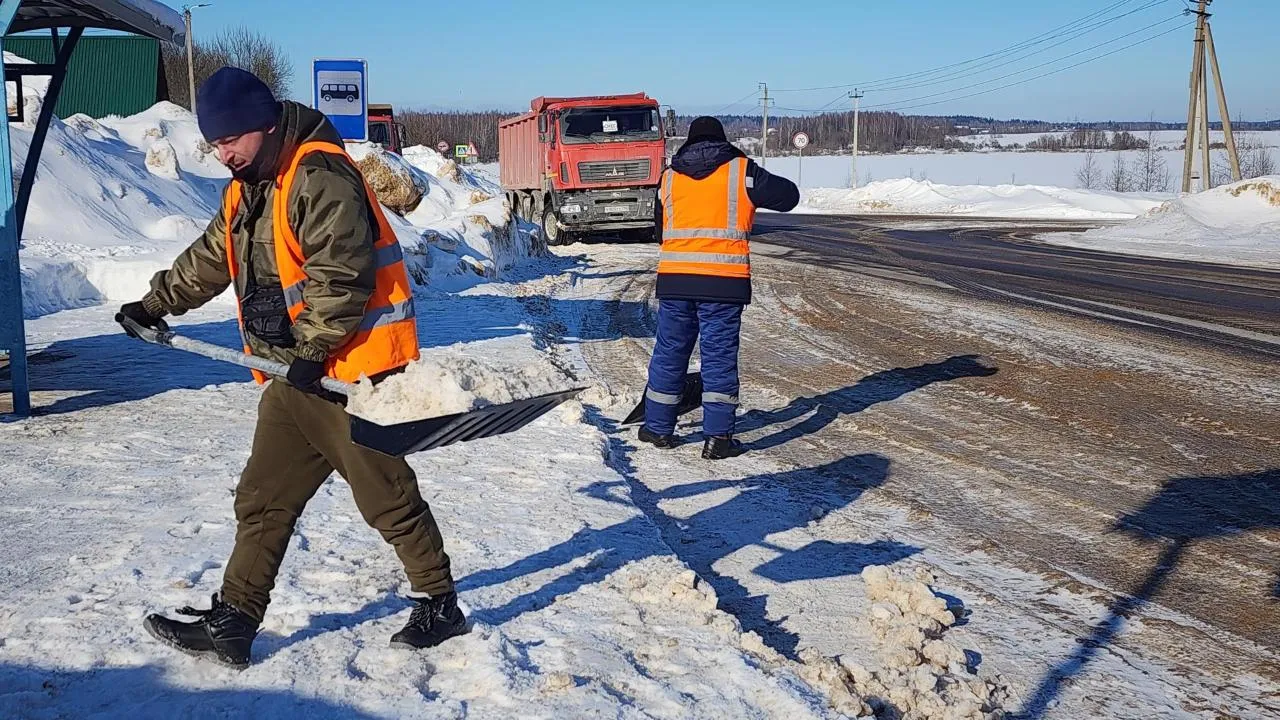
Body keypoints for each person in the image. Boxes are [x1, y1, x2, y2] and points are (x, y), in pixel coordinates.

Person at [116, 67, 465, 669]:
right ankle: (235, 619)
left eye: (231, 140)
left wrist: (312, 351)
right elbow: (210, 257)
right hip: (293, 374)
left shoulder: (317, 174)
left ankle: (439, 603)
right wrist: (155, 302)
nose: (223, 153)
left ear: (265, 124)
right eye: (215, 143)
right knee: (263, 496)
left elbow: (341, 272)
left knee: (385, 495)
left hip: (347, 372)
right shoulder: (248, 184)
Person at [639, 116, 799, 459]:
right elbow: (789, 197)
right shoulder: (741, 171)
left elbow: (658, 230)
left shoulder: (668, 178)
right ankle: (717, 439)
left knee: (669, 353)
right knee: (719, 357)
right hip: (723, 284)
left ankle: (657, 429)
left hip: (676, 282)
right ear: (722, 141)